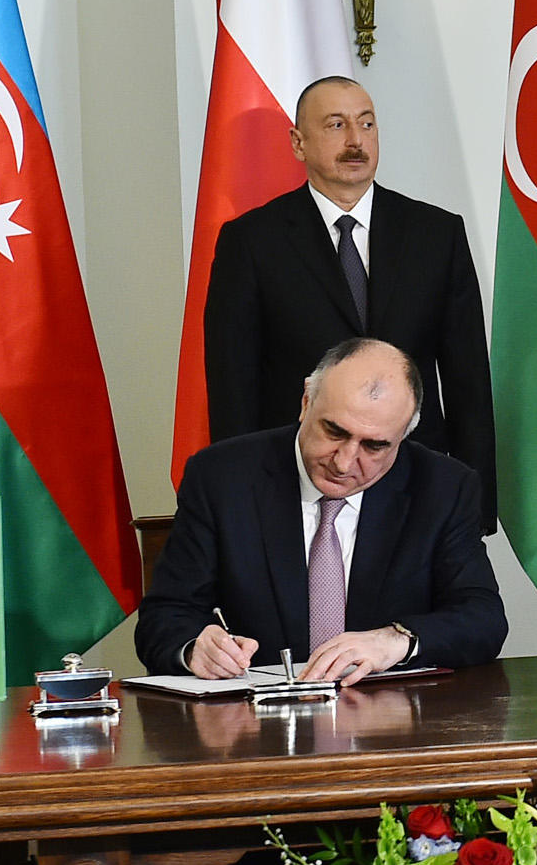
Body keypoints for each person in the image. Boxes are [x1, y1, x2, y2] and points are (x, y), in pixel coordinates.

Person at [138, 337, 506, 865]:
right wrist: (196, 645)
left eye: (375, 446)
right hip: (263, 769)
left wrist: (395, 639)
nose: (345, 461)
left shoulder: (444, 486)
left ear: (403, 438)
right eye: (334, 432)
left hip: (394, 765)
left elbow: (482, 617)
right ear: (306, 401)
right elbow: (164, 618)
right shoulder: (223, 477)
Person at [204, 76, 498, 531]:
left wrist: (473, 508)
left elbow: (469, 382)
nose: (356, 141)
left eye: (366, 123)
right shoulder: (251, 242)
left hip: (415, 484)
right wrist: (241, 505)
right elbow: (233, 387)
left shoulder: (437, 234)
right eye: (336, 125)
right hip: (298, 485)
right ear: (298, 143)